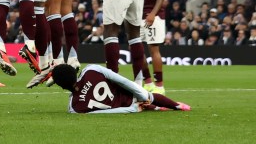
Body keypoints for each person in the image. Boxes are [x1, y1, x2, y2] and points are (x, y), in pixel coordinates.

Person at [50, 63, 190, 114]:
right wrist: (141, 94)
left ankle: (156, 107)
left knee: (146, 103)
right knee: (150, 97)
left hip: (126, 105)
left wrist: (132, 109)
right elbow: (121, 80)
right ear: (73, 71)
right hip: (131, 94)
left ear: (62, 87)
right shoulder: (91, 70)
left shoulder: (74, 107)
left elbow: (104, 113)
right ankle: (176, 106)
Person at [140, 0, 167, 94]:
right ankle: (148, 83)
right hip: (136, 14)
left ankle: (159, 86)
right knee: (136, 48)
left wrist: (153, 13)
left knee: (153, 48)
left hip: (152, 14)